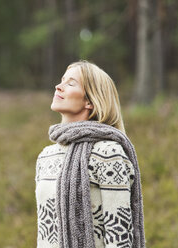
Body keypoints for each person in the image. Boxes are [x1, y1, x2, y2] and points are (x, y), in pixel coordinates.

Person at [35, 60, 146, 248]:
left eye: (70, 83)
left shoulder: (108, 153)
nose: (58, 87)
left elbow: (119, 233)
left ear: (90, 101)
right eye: (61, 80)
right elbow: (44, 234)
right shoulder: (46, 156)